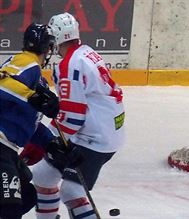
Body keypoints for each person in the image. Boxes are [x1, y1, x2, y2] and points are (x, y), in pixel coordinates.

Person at [20, 12, 126, 219]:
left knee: (71, 191)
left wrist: (45, 141)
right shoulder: (86, 53)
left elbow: (73, 117)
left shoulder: (69, 65)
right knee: (43, 176)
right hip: (104, 130)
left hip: (94, 139)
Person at [0, 23, 67, 218]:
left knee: (28, 195)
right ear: (48, 48)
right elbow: (1, 82)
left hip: (9, 149)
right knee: (9, 209)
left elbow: (29, 122)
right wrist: (33, 97)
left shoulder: (37, 81)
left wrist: (51, 144)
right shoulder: (26, 61)